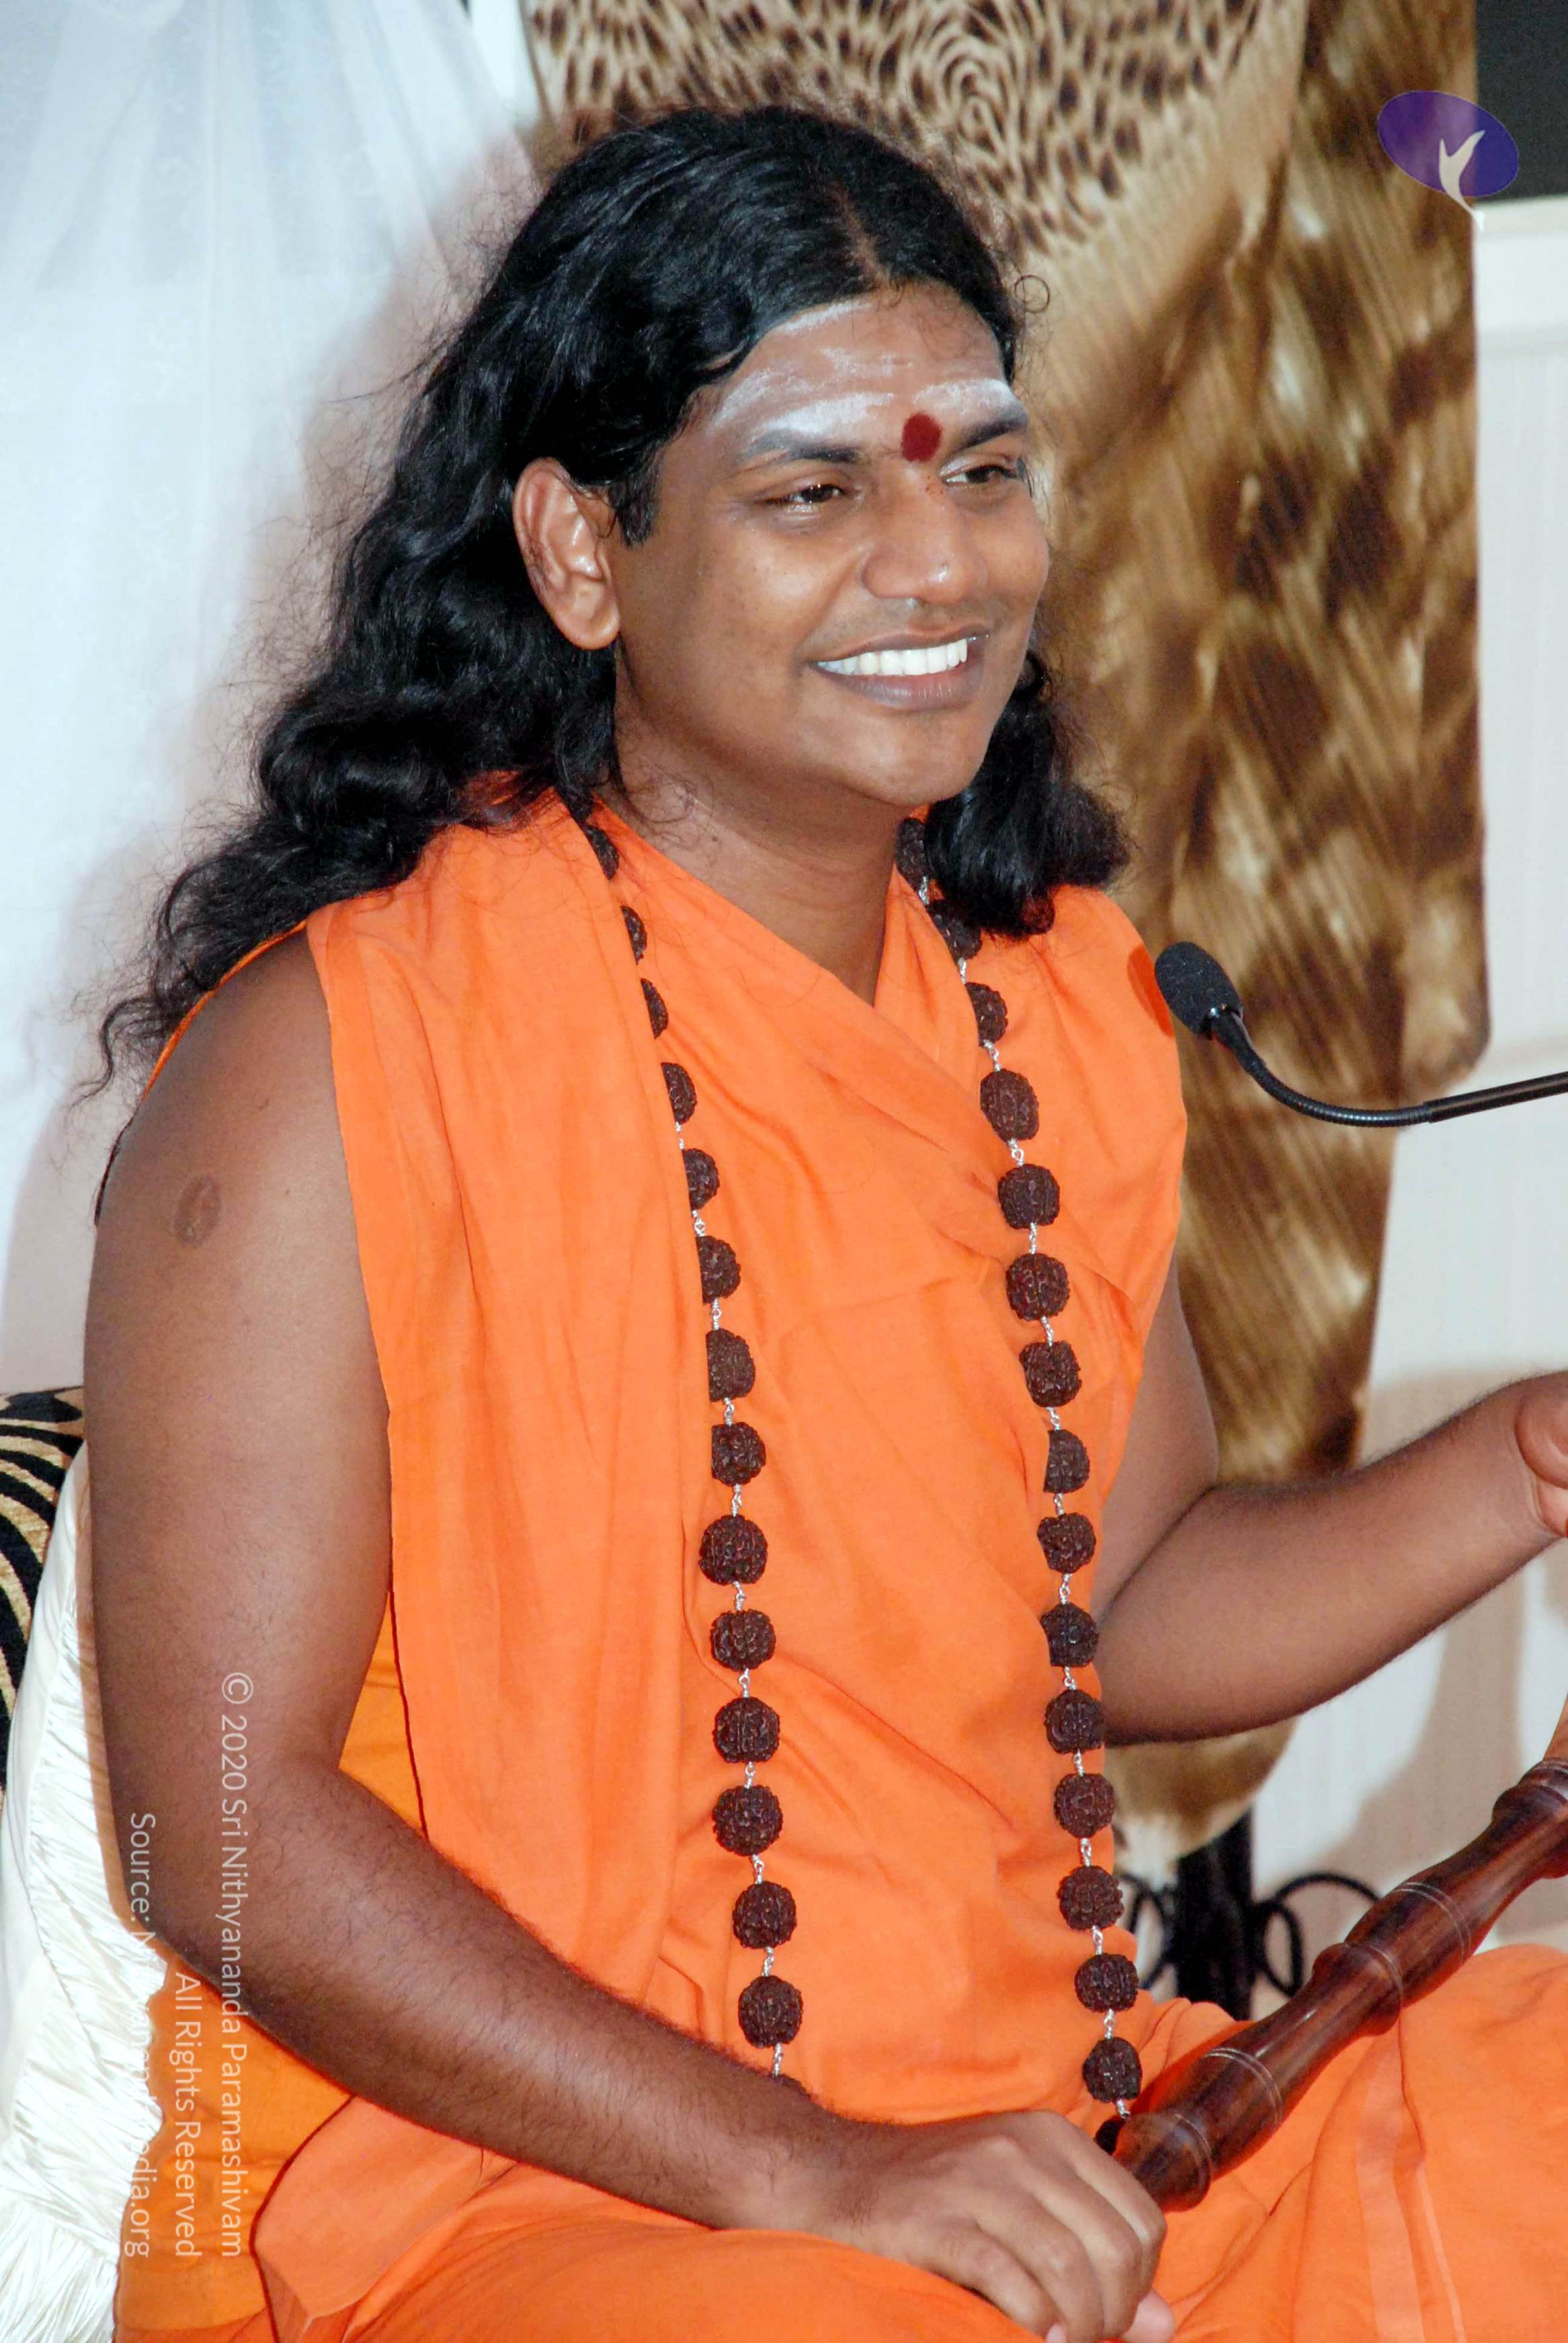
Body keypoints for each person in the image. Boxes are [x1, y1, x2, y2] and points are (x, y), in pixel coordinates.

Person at [85, 106, 1568, 2343]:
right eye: (816, 493)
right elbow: (215, 1834)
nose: (939, 567)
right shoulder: (324, 1060)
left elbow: (1120, 1610)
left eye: (986, 473)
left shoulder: (1054, 1006)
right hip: (544, 2201)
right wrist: (816, 2173)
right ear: (582, 554)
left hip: (1061, 2137)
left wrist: (1523, 1467)